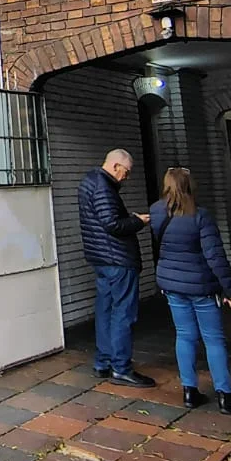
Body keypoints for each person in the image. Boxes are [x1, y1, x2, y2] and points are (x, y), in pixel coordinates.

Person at [150, 166, 231, 413]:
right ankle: (225, 395)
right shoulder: (200, 216)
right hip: (201, 286)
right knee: (213, 339)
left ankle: (189, 391)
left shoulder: (156, 212)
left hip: (171, 284)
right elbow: (215, 257)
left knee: (184, 335)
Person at [78, 148, 154, 387]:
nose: (127, 177)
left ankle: (103, 362)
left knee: (106, 310)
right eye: (126, 172)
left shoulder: (90, 181)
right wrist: (137, 221)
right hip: (117, 259)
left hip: (101, 259)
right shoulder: (103, 186)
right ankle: (121, 367)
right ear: (115, 166)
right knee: (123, 313)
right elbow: (112, 224)